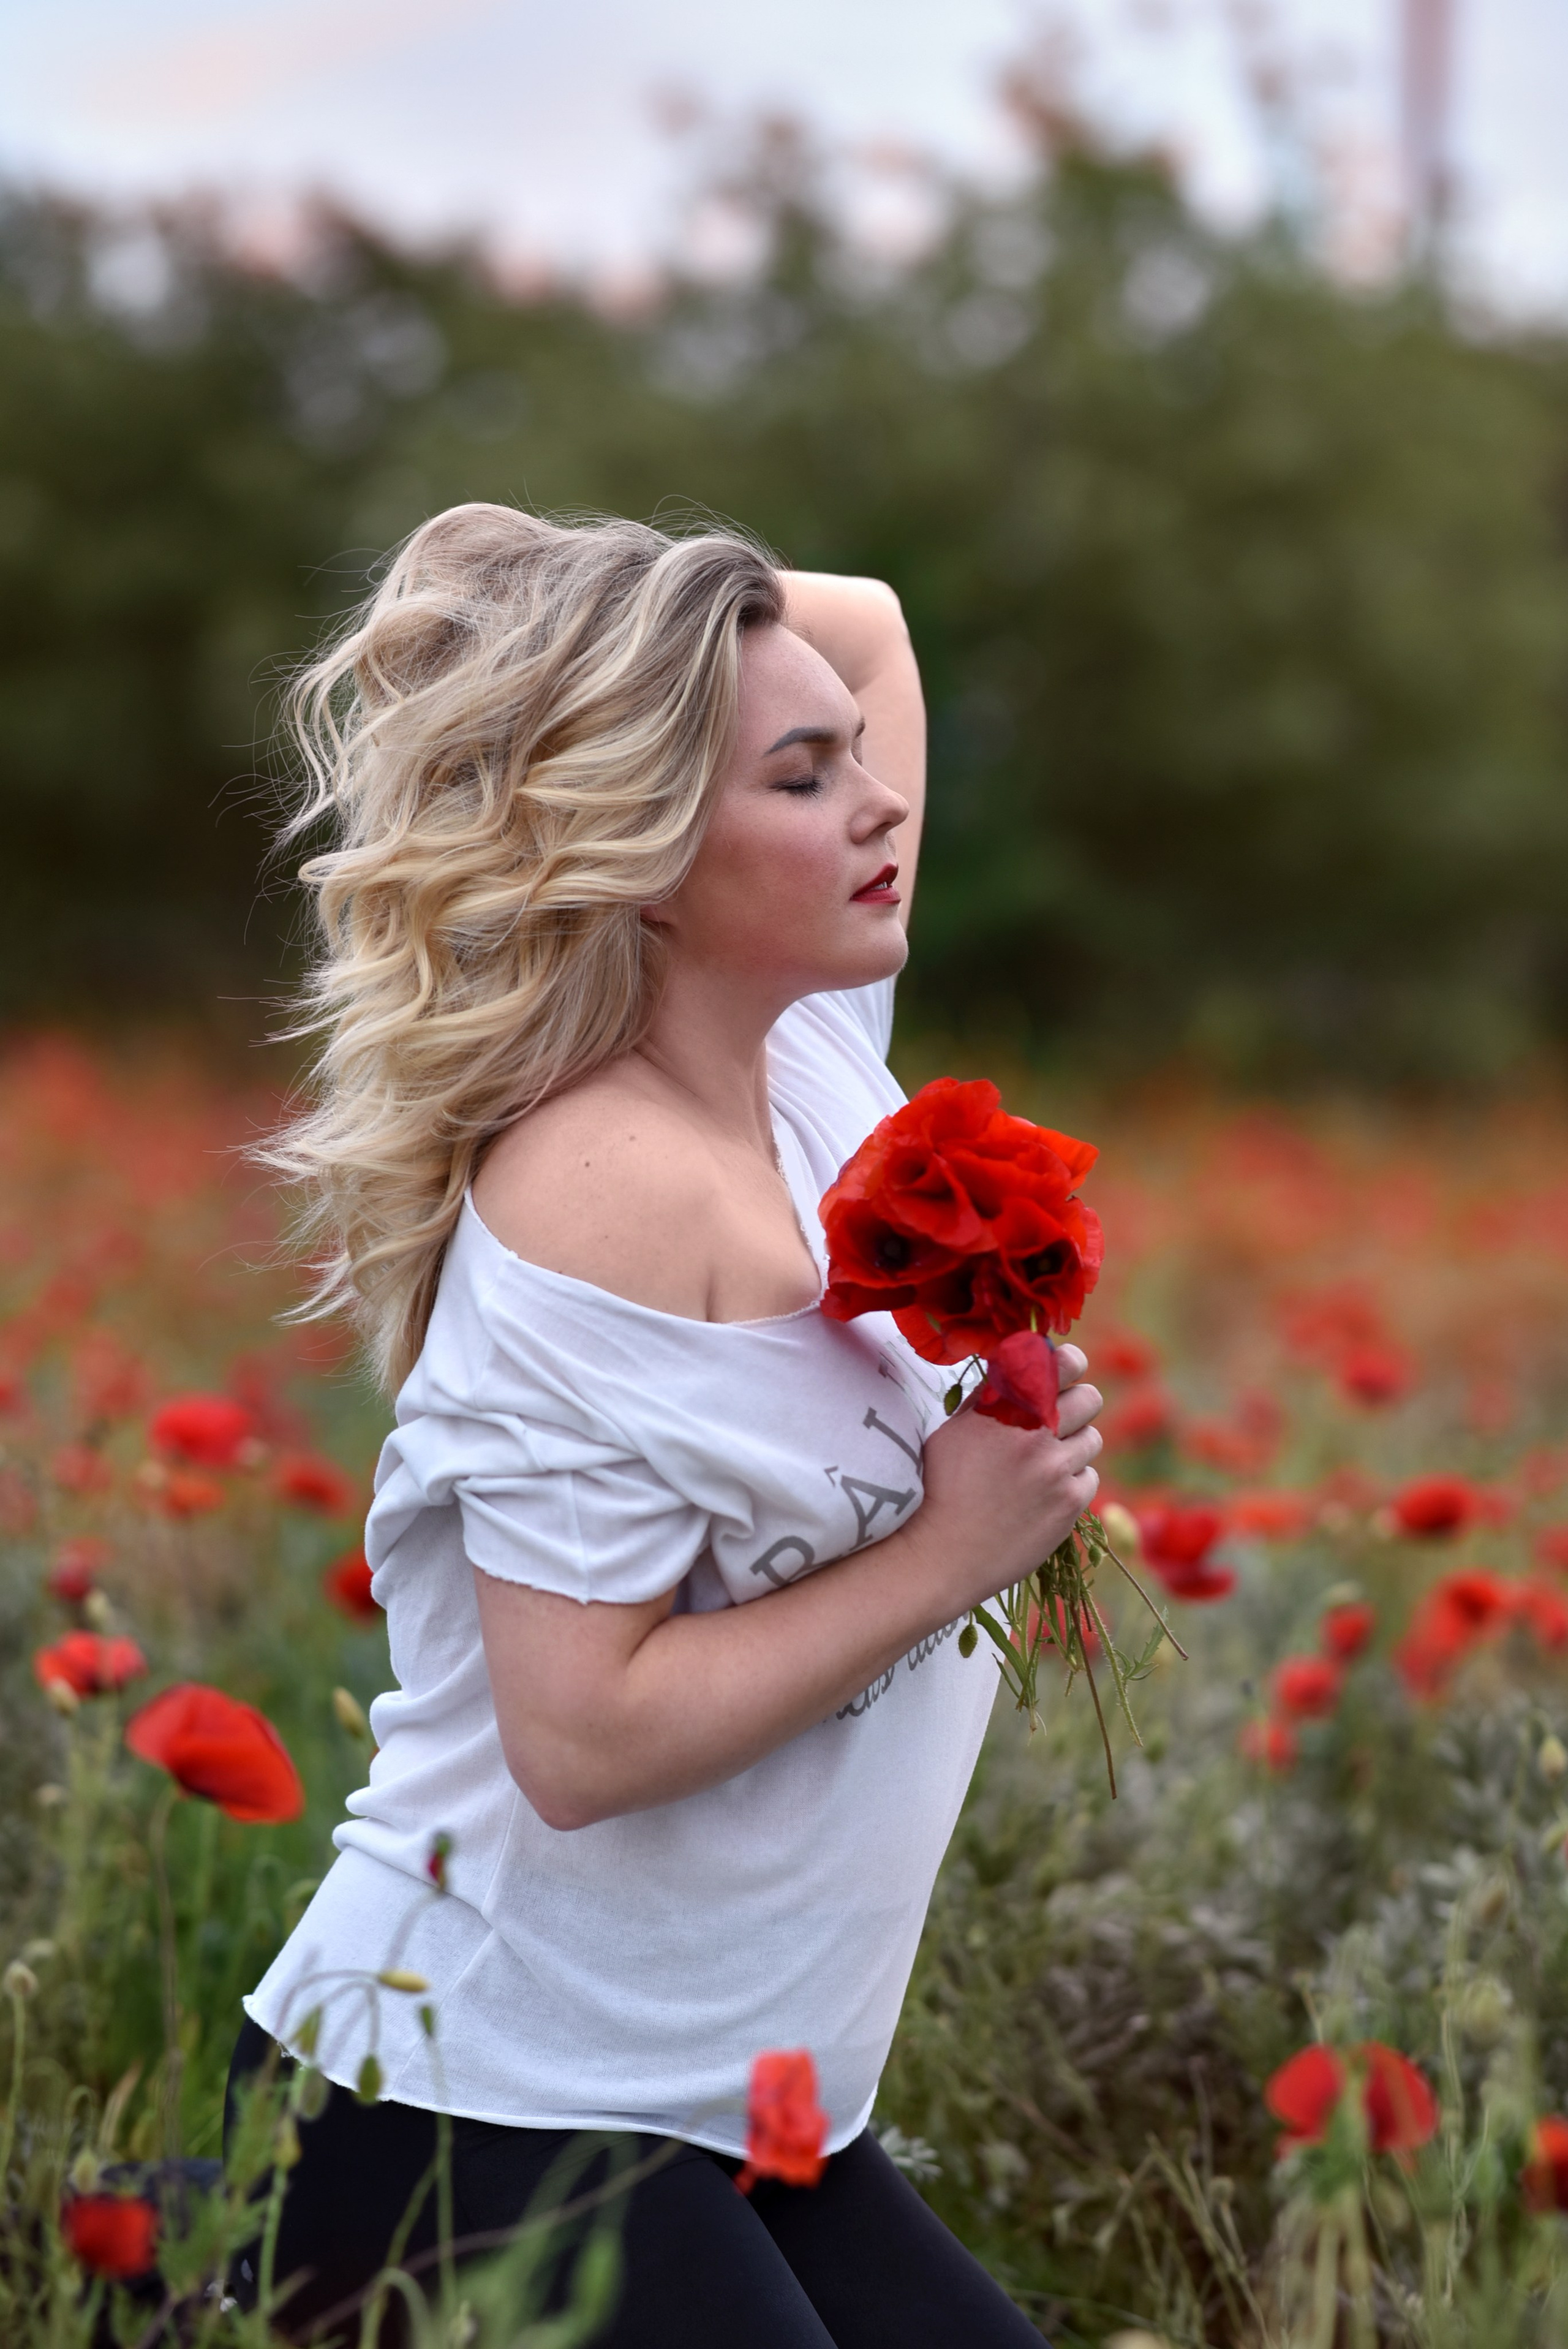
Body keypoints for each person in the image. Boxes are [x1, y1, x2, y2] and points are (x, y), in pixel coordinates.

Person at [228, 505, 1103, 2346]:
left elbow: (869, 628)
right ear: (640, 858)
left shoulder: (808, 1062)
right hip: (467, 2097)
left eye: (854, 760)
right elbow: (581, 1735)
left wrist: (559, 580)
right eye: (803, 777)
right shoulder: (595, 1187)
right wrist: (958, 1544)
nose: (880, 801)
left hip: (737, 2102)